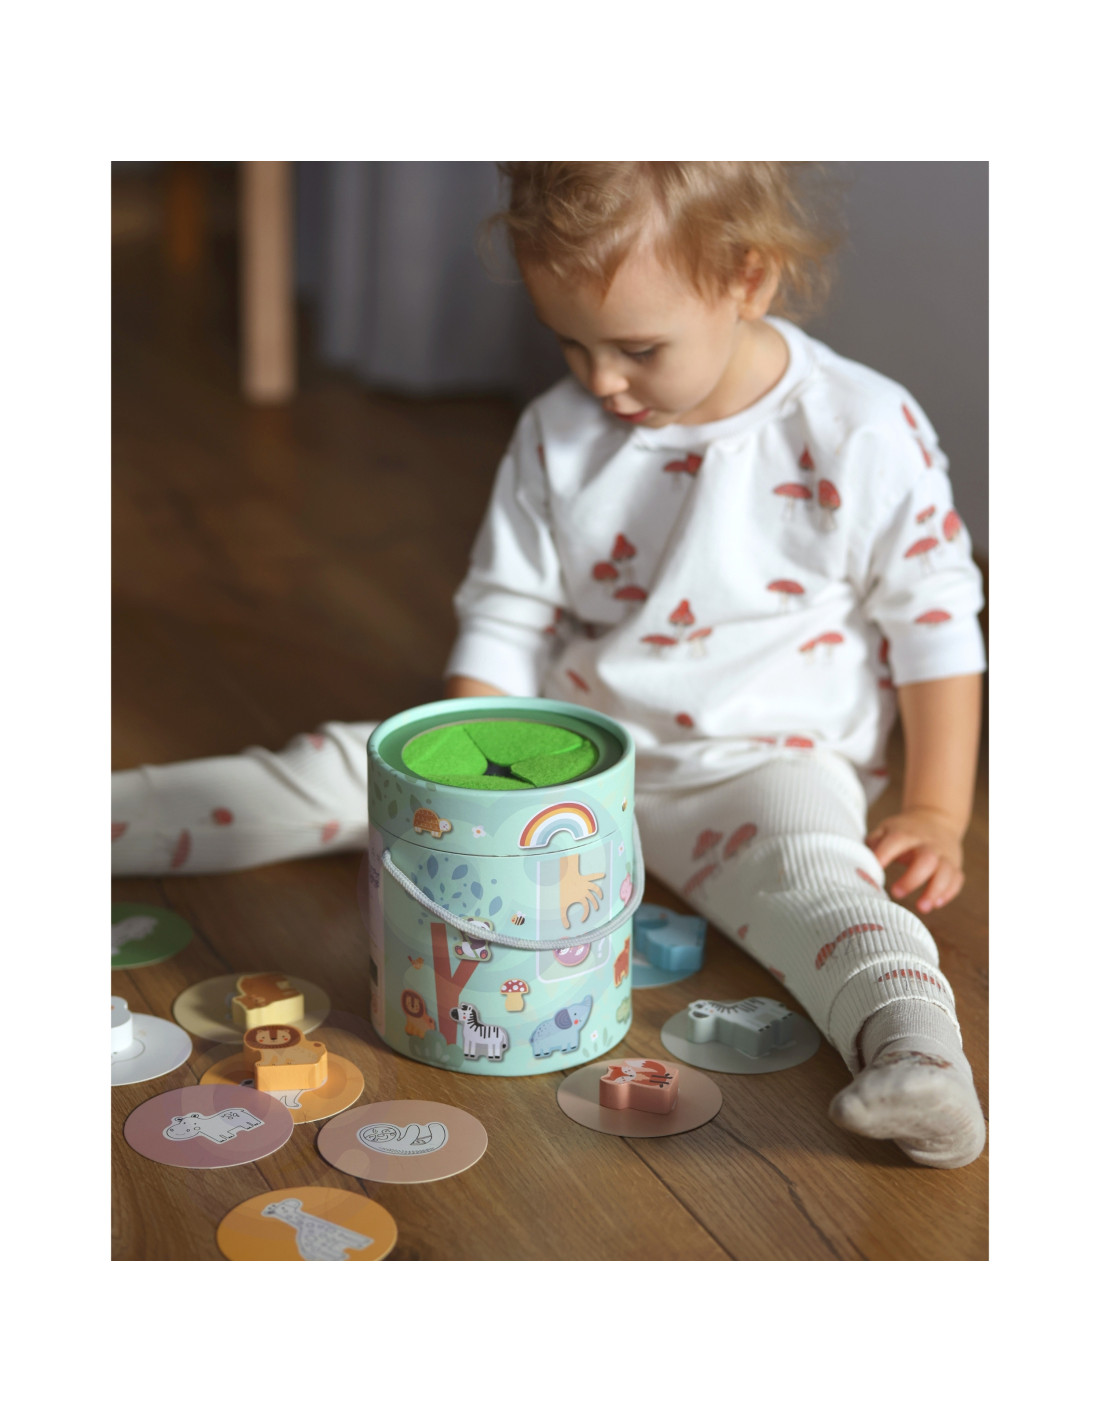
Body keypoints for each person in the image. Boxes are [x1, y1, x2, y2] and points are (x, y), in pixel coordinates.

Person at [113, 162, 987, 1169]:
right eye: (570, 343)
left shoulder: (859, 426)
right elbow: (506, 611)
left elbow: (933, 622)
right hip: (563, 755)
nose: (600, 380)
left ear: (747, 279)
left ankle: (919, 1063)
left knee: (822, 884)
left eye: (637, 349)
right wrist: (458, 771)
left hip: (757, 766)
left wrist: (933, 809)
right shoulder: (558, 430)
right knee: (326, 769)